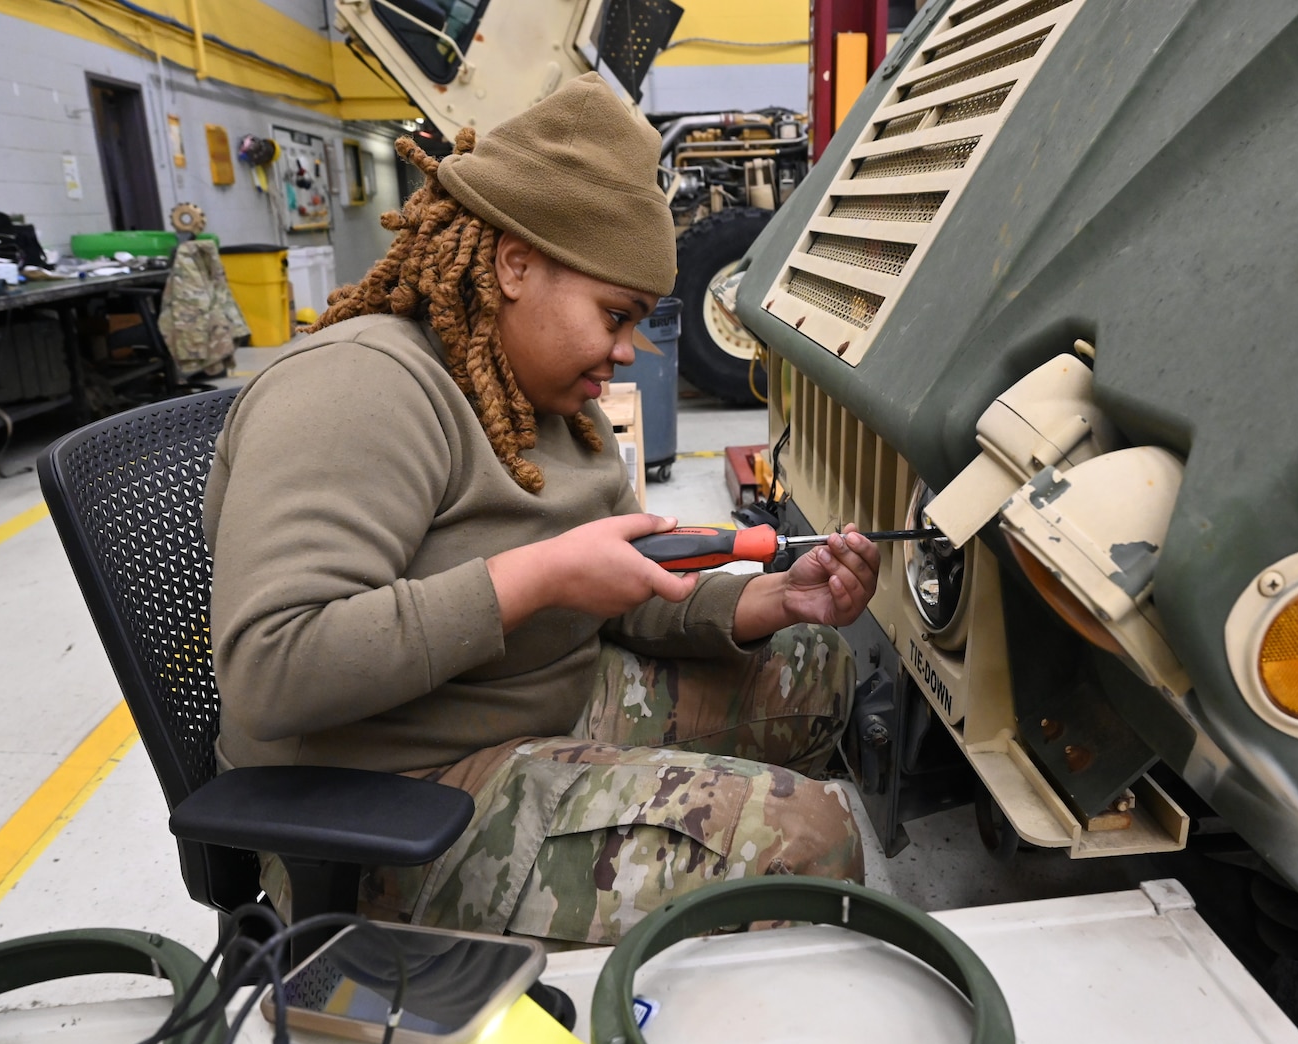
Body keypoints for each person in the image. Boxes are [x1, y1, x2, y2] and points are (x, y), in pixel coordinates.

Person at [202, 73, 880, 946]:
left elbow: (623, 579)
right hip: (391, 791)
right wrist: (536, 577)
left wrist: (766, 602)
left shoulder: (544, 396)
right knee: (807, 835)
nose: (627, 352)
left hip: (537, 696)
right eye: (614, 314)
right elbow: (272, 667)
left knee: (815, 665)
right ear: (514, 263)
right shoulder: (357, 390)